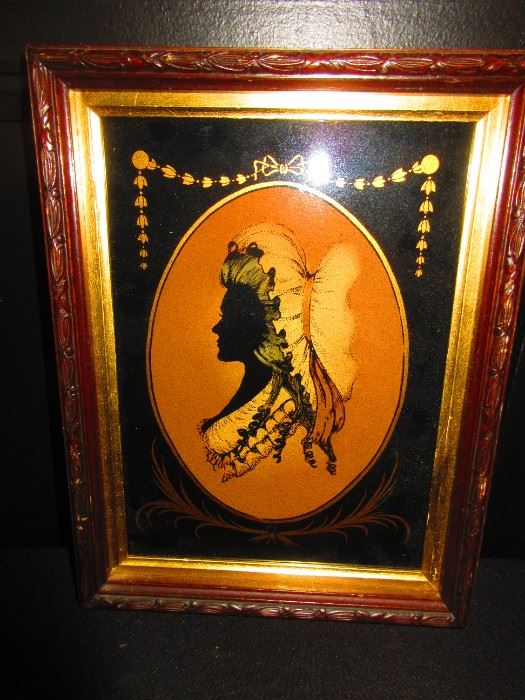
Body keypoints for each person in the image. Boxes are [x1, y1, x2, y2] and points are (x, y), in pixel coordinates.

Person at [200, 223, 358, 482]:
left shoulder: (282, 411)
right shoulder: (261, 404)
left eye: (228, 316)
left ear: (263, 326)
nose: (217, 327)